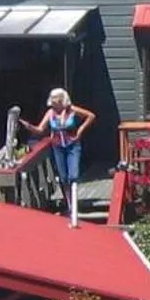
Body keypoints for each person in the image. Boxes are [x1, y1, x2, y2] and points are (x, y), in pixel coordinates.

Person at [21, 87, 95, 224]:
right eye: (53, 102)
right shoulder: (50, 113)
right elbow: (40, 129)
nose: (55, 104)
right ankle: (70, 205)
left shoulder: (72, 110)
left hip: (73, 145)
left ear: (63, 101)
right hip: (57, 146)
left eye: (57, 101)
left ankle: (74, 205)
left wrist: (80, 130)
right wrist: (29, 126)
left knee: (73, 174)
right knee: (63, 177)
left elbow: (91, 116)